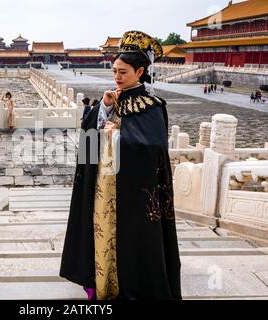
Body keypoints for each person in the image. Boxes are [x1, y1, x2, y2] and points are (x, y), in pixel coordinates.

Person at [60, 30, 182, 300]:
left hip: (132, 192)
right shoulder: (113, 98)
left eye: (123, 72)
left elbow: (153, 147)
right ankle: (100, 281)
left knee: (130, 242)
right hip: (103, 187)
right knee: (101, 232)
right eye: (114, 70)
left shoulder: (152, 105)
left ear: (140, 72)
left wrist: (119, 136)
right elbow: (89, 133)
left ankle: (129, 285)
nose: (116, 76)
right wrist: (102, 108)